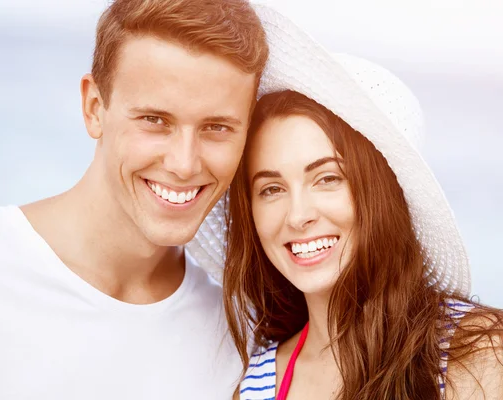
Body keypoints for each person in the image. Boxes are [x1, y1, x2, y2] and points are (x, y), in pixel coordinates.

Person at [0, 0, 269, 398]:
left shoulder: (237, 335)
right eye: (154, 120)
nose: (184, 164)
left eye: (217, 127)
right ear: (94, 108)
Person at [187, 5, 503, 400]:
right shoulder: (255, 386)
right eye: (271, 189)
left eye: (327, 178)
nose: (298, 215)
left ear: (379, 194)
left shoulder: (477, 353)